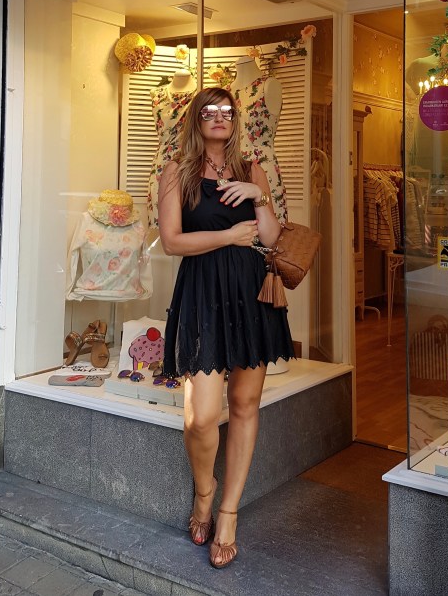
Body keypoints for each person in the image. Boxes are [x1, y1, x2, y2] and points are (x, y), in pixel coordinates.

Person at [158, 86, 294, 569]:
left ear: (236, 121)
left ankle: (229, 513)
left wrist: (260, 196)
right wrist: (229, 235)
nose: (219, 117)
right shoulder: (178, 172)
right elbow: (172, 242)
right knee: (201, 415)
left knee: (244, 404)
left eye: (227, 111)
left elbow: (271, 238)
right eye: (209, 111)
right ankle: (205, 491)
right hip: (203, 293)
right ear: (196, 120)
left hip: (250, 294)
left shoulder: (251, 169)